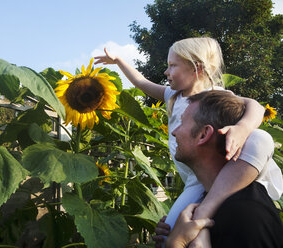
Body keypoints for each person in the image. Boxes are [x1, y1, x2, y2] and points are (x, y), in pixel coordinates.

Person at [94, 37, 283, 246]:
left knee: (259, 138)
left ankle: (206, 214)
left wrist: (243, 128)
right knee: (169, 237)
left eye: (172, 65)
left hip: (224, 171)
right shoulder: (173, 96)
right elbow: (141, 83)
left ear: (197, 68)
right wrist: (119, 61)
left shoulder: (214, 96)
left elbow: (255, 106)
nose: (167, 72)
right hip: (194, 182)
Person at [161, 90, 283, 247]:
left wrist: (175, 243)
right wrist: (171, 233)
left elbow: (261, 139)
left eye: (182, 122)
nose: (174, 131)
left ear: (204, 134)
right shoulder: (204, 202)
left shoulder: (244, 216)